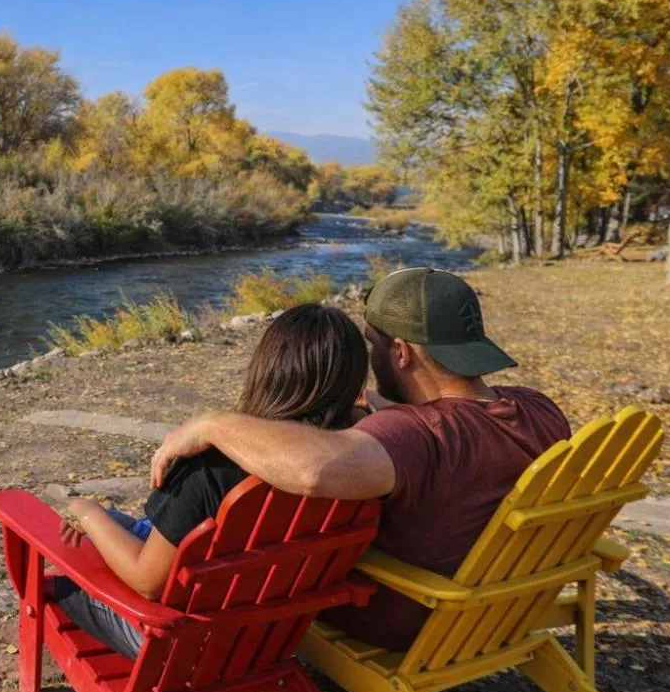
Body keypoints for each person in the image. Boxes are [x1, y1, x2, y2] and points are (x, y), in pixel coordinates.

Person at [150, 267, 571, 651]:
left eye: (373, 344)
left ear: (402, 353)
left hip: (402, 622)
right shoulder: (538, 409)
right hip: (500, 610)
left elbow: (313, 469)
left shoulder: (415, 436)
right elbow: (458, 431)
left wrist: (212, 425)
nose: (370, 359)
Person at [55, 303, 369, 659]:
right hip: (271, 631)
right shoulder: (361, 455)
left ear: (268, 370)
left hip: (184, 646)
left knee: (65, 582)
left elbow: (148, 583)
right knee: (112, 525)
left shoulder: (209, 468)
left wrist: (85, 511)